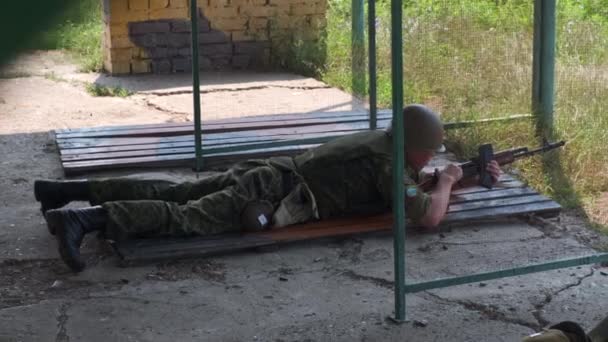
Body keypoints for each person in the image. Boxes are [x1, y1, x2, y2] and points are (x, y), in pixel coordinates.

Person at [34, 104, 501, 272]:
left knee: (177, 192)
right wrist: (452, 180)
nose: (433, 160)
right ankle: (83, 219)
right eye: (432, 152)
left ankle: (64, 192)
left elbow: (414, 187)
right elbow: (429, 215)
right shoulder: (389, 162)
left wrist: (464, 177)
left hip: (269, 172)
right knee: (187, 218)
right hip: (275, 194)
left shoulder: (384, 145)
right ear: (419, 147)